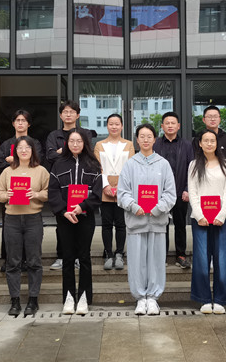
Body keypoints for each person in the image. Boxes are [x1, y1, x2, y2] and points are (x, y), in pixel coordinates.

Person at [118, 124, 177, 316]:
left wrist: (158, 207)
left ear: (154, 139)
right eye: (142, 136)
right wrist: (134, 206)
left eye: (149, 136)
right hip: (136, 221)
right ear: (137, 140)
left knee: (157, 262)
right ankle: (140, 298)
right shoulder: (130, 164)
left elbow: (170, 193)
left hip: (157, 221)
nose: (145, 139)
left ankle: (152, 298)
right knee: (136, 262)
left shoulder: (163, 164)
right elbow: (122, 192)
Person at [48, 129, 102, 315]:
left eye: (79, 141)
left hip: (85, 217)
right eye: (72, 141)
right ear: (67, 143)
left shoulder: (93, 164)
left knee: (84, 257)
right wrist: (63, 211)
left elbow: (97, 193)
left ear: (85, 143)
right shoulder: (58, 164)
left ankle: (84, 297)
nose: (75, 144)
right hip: (65, 218)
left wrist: (82, 207)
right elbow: (53, 191)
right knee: (68, 258)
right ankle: (69, 297)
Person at [0, 136, 50, 317]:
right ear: (15, 151)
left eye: (27, 147)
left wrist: (36, 194)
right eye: (20, 148)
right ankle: (15, 300)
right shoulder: (7, 171)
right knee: (13, 262)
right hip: (12, 220)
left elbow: (49, 192)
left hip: (33, 219)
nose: (24, 150)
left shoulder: (41, 171)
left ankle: (33, 300)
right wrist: (7, 195)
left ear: (33, 150)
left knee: (34, 261)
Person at [44, 100, 96, 270]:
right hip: (63, 184)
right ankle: (62, 256)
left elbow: (87, 153)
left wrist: (61, 151)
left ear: (78, 115)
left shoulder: (85, 133)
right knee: (62, 223)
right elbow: (50, 156)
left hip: (82, 185)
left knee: (83, 224)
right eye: (65, 112)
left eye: (72, 112)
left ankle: (79, 257)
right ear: (60, 115)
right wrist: (65, 154)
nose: (68, 114)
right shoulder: (54, 135)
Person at [188, 129, 226, 314]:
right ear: (200, 143)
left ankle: (221, 298)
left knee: (222, 259)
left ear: (217, 144)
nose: (209, 144)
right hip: (200, 220)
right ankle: (204, 299)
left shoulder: (225, 164)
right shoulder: (193, 165)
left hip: (222, 220)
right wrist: (199, 215)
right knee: (201, 259)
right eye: (205, 141)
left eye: (212, 141)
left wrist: (221, 215)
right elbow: (193, 191)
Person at [0, 109, 43, 273]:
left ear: (29, 124)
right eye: (18, 120)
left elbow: (38, 160)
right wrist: (14, 166)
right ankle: (9, 260)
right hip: (11, 191)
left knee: (31, 232)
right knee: (9, 228)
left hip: (30, 191)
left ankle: (28, 260)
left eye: (24, 120)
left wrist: (14, 159)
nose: (20, 123)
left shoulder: (35, 143)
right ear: (13, 123)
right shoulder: (6, 144)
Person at [199, 105, 226, 269]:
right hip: (205, 188)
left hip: (225, 187)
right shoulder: (198, 139)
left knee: (225, 219)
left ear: (220, 119)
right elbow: (196, 162)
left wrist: (224, 177)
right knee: (206, 220)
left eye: (215, 116)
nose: (212, 119)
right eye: (209, 116)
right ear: (204, 119)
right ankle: (210, 254)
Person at [152, 112, 194, 269]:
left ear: (178, 126)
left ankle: (180, 255)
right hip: (160, 194)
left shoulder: (187, 145)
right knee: (161, 225)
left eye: (173, 123)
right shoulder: (156, 145)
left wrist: (187, 189)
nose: (170, 126)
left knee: (180, 225)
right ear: (162, 126)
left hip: (180, 192)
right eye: (167, 123)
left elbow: (192, 169)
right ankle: (161, 256)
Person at [94, 114, 135, 270]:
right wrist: (105, 186)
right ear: (107, 126)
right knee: (106, 224)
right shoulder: (99, 145)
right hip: (104, 189)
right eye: (111, 124)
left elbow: (130, 167)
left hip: (122, 189)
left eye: (117, 124)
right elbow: (97, 168)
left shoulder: (129, 144)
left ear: (122, 126)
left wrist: (120, 187)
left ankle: (119, 253)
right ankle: (108, 253)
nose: (114, 127)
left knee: (121, 224)